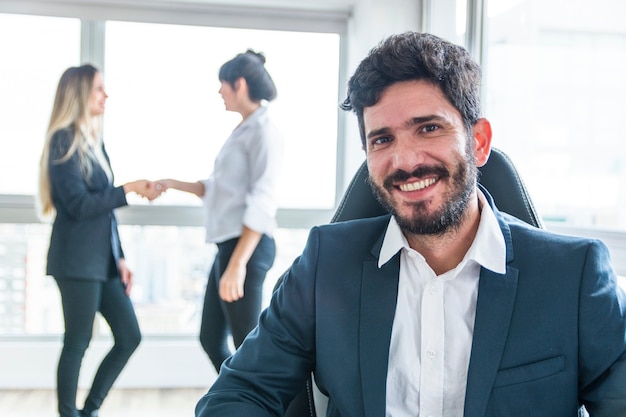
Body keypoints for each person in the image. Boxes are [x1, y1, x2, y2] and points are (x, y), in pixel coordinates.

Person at [194, 32, 626, 417]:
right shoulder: (326, 263)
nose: (404, 161)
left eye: (429, 128)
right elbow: (238, 393)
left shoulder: (575, 276)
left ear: (478, 142)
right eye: (382, 139)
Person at [38, 64, 162, 417]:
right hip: (75, 260)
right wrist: (130, 189)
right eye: (98, 89)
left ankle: (87, 411)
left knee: (129, 336)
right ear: (78, 94)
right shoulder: (63, 139)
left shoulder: (95, 142)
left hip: (102, 261)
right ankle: (68, 413)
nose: (105, 95)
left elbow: (104, 210)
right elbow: (79, 205)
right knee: (78, 341)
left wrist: (119, 257)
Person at [156, 49, 284, 372]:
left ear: (238, 84)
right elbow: (216, 188)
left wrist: (238, 264)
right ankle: (238, 400)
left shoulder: (264, 131)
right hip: (229, 247)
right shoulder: (244, 129)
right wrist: (172, 183)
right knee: (210, 339)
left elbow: (263, 200)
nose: (219, 92)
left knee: (249, 347)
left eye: (222, 85)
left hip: (247, 249)